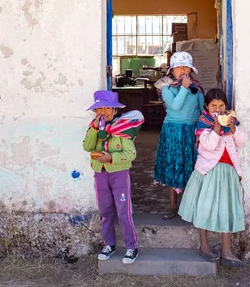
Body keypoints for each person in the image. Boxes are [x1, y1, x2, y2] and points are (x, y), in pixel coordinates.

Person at [179, 88, 247, 267]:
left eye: (222, 105)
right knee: (204, 209)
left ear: (226, 106)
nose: (218, 108)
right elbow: (208, 145)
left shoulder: (232, 120)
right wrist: (217, 126)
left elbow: (241, 141)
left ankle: (226, 251)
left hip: (228, 171)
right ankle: (204, 246)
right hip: (208, 171)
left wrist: (233, 129)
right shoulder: (203, 123)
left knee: (226, 209)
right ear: (206, 107)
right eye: (213, 105)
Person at [83, 90, 144, 264]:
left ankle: (132, 246)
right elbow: (87, 146)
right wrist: (95, 129)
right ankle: (109, 244)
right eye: (98, 109)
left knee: (124, 211)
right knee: (105, 211)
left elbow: (130, 154)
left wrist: (112, 158)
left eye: (107, 109)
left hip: (119, 174)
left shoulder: (122, 128)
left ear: (115, 111)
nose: (102, 113)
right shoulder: (94, 127)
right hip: (100, 174)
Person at [154, 51, 204, 220]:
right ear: (172, 71)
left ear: (190, 70)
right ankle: (172, 206)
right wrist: (183, 87)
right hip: (173, 131)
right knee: (173, 167)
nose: (182, 70)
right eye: (178, 67)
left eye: (186, 67)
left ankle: (188, 205)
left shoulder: (196, 89)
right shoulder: (167, 89)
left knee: (190, 167)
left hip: (191, 131)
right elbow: (175, 106)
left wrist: (201, 131)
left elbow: (201, 110)